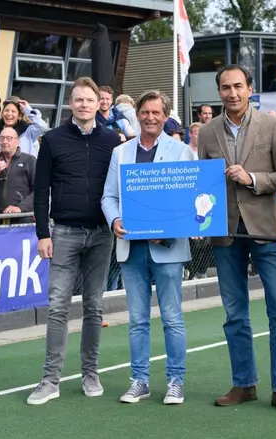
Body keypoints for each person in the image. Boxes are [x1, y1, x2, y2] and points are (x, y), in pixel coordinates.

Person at [196, 64, 276, 413]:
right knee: (234, 314)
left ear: (250, 88)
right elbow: (203, 183)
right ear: (219, 92)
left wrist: (253, 179)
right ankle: (244, 383)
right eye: (226, 87)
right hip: (225, 234)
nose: (232, 93)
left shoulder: (272, 125)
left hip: (265, 230)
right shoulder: (208, 132)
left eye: (238, 86)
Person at [27, 77, 121, 405]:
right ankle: (50, 380)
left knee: (94, 306)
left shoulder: (112, 141)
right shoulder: (52, 140)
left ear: (99, 104)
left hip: (101, 234)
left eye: (89, 100)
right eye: (78, 100)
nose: (84, 105)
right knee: (57, 307)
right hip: (63, 233)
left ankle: (90, 374)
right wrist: (42, 233)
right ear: (71, 104)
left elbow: (123, 187)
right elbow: (41, 192)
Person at [101, 90, 196, 405]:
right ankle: (139, 380)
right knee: (138, 319)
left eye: (157, 112)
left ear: (166, 116)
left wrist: (169, 230)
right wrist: (114, 220)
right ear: (137, 114)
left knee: (172, 317)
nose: (151, 117)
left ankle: (175, 381)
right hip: (131, 247)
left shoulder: (181, 151)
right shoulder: (121, 152)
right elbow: (109, 196)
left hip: (167, 249)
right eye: (146, 112)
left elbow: (189, 201)